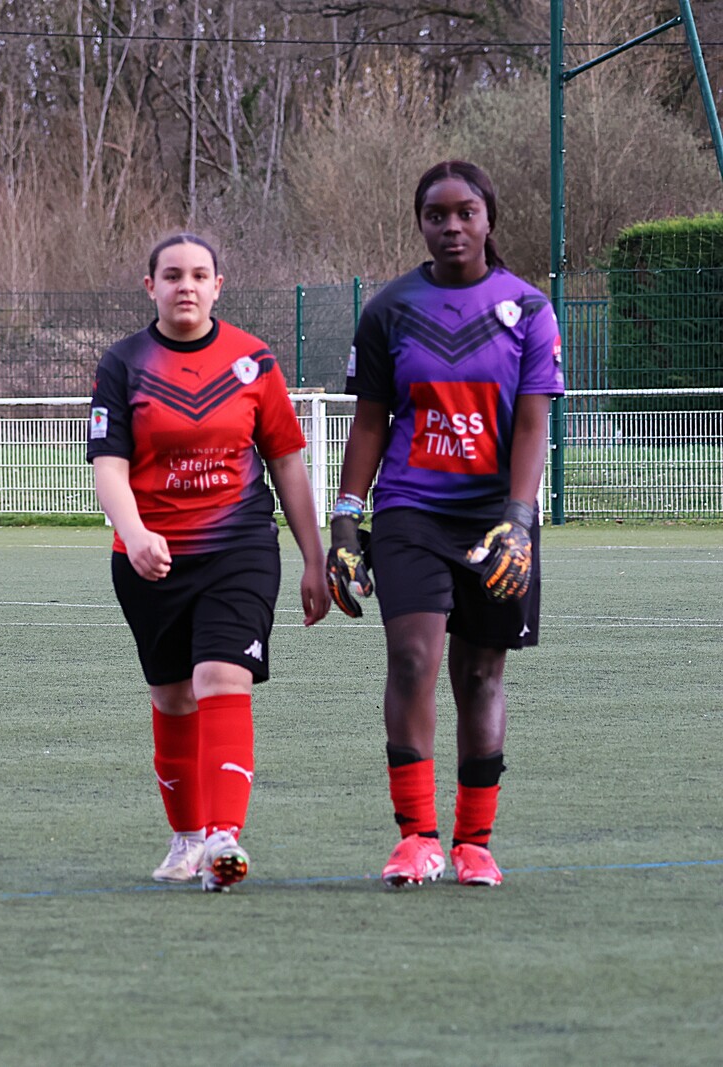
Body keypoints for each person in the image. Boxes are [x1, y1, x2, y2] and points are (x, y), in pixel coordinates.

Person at [328, 159, 564, 889]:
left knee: (482, 673)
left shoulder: (529, 310)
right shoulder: (389, 309)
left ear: (489, 219)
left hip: (496, 519)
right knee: (411, 660)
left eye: (466, 213)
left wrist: (519, 519)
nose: (452, 226)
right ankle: (417, 839)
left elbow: (534, 424)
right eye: (437, 215)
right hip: (411, 512)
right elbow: (372, 421)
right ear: (420, 224)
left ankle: (474, 844)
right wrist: (345, 519)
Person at [87, 233, 329, 893]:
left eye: (199, 275)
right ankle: (188, 836)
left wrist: (313, 559)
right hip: (150, 559)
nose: (185, 286)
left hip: (239, 549)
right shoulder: (123, 363)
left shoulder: (253, 360)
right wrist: (135, 533)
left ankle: (224, 838)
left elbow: (287, 463)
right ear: (151, 287)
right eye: (172, 275)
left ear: (219, 285)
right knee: (172, 696)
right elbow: (108, 465)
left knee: (222, 676)